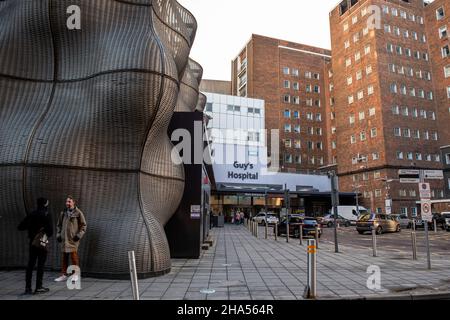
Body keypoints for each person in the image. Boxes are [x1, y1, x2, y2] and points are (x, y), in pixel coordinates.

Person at [18, 197, 53, 295]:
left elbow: (20, 227)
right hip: (42, 242)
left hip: (32, 243)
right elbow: (50, 232)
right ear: (45, 204)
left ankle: (28, 287)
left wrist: (32, 229)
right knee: (40, 265)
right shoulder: (47, 214)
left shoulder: (32, 214)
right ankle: (38, 287)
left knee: (30, 265)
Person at [54, 196, 87, 282]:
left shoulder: (78, 213)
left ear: (73, 202)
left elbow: (83, 226)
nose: (67, 203)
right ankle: (64, 274)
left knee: (73, 257)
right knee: (64, 257)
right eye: (66, 202)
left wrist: (78, 235)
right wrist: (58, 235)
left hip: (73, 239)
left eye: (69, 202)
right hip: (64, 239)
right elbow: (59, 225)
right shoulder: (63, 213)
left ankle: (75, 274)